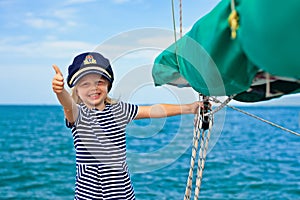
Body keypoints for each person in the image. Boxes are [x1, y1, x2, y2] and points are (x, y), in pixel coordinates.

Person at [52, 52, 204, 200]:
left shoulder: (120, 110)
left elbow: (153, 110)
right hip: (88, 195)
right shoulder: (80, 115)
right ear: (77, 90)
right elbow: (68, 105)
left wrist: (190, 108)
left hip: (122, 194)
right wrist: (60, 91)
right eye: (85, 84)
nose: (94, 88)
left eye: (99, 82)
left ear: (108, 84)